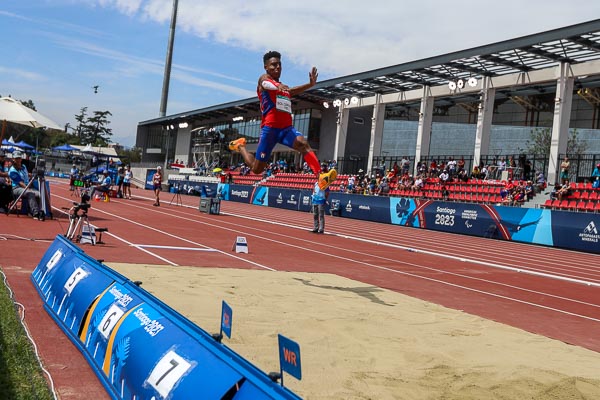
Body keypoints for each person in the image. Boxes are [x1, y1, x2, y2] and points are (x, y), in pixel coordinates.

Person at [228, 50, 335, 190]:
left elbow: (290, 91)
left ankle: (320, 177)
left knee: (303, 143)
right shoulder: (263, 80)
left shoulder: (282, 87)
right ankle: (241, 146)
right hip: (269, 130)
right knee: (256, 169)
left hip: (286, 129)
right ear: (266, 67)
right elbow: (267, 84)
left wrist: (309, 85)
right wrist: (277, 86)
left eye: (279, 64)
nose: (277, 67)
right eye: (273, 65)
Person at [8, 151, 44, 220]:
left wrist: (30, 175)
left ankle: (36, 211)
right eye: (16, 158)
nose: (18, 160)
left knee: (40, 194)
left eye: (19, 158)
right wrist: (28, 188)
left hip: (27, 186)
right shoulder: (12, 170)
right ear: (13, 159)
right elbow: (20, 182)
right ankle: (35, 213)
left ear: (21, 159)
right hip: (17, 188)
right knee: (30, 193)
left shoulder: (24, 166)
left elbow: (26, 175)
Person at [311, 168, 337, 234]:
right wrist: (313, 195)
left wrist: (325, 199)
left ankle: (321, 229)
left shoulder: (325, 183)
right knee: (315, 214)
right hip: (315, 200)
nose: (318, 176)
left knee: (321, 215)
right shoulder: (316, 183)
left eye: (319, 175)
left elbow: (327, 192)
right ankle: (315, 227)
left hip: (321, 200)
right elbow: (314, 190)